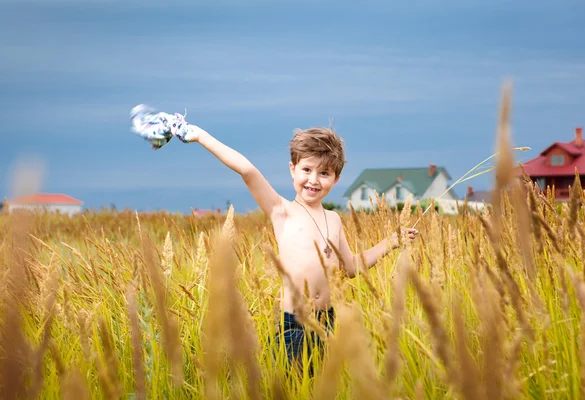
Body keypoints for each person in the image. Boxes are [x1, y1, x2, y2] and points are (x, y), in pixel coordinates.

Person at [130, 105, 418, 371]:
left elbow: (351, 268)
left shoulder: (334, 219)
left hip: (327, 321)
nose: (314, 180)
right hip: (293, 326)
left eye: (324, 173)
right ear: (292, 169)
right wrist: (200, 135)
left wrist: (391, 242)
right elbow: (247, 170)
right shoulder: (282, 211)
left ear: (336, 178)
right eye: (306, 169)